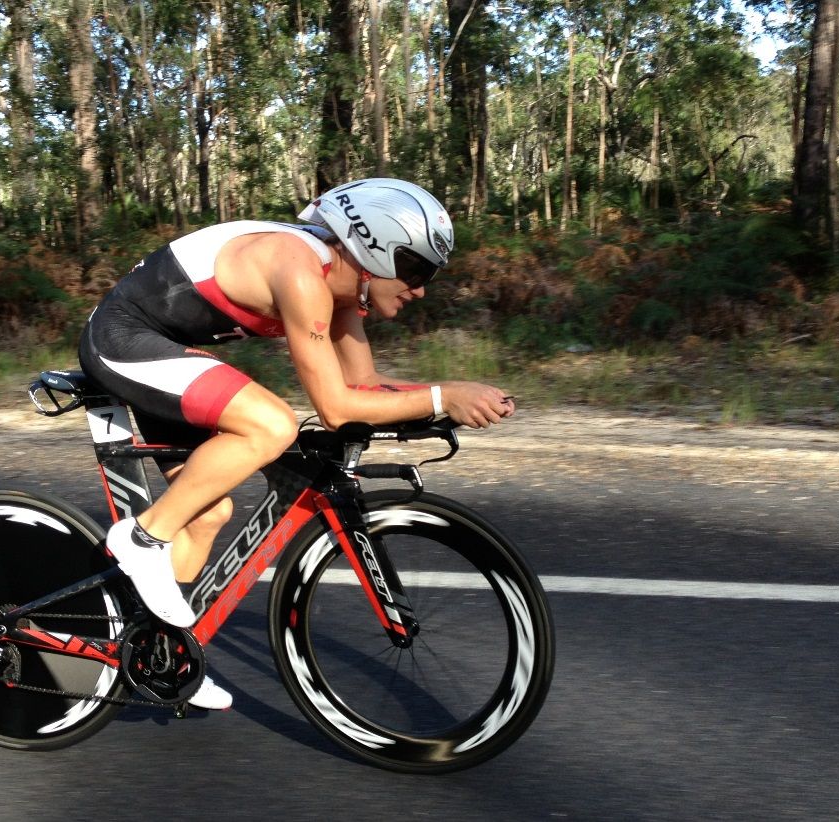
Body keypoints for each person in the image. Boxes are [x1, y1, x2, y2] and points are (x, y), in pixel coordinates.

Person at [78, 178, 515, 710]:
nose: (421, 289)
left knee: (207, 513)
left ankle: (155, 649)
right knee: (271, 424)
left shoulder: (342, 290)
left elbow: (364, 390)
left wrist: (445, 402)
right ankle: (141, 541)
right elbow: (335, 408)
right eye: (416, 270)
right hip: (122, 339)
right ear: (372, 250)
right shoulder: (301, 271)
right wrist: (444, 395)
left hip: (166, 347)